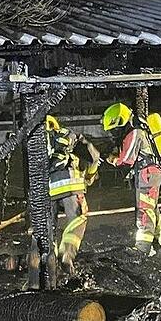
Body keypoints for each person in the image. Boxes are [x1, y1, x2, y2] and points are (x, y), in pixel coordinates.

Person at [102, 103, 161, 256]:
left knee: (145, 210)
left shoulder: (135, 133)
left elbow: (126, 160)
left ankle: (142, 248)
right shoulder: (141, 130)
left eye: (114, 129)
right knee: (151, 208)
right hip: (150, 173)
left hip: (147, 174)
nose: (113, 133)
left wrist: (111, 159)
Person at [46, 115, 100, 283]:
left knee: (47, 228)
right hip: (69, 185)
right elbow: (93, 155)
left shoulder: (38, 142)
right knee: (78, 220)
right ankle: (66, 255)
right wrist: (90, 176)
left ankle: (48, 266)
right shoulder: (68, 135)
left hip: (46, 190)